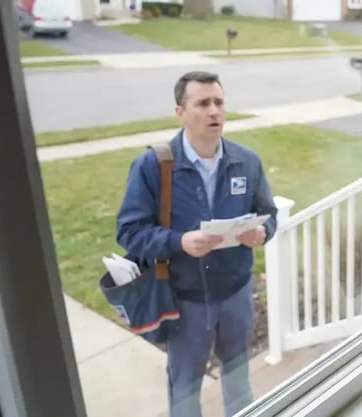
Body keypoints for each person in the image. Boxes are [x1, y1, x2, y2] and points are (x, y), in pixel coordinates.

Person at [115, 70, 278, 417]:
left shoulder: (246, 162)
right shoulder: (153, 166)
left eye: (219, 102)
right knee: (185, 390)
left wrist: (263, 232)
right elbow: (129, 232)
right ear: (181, 112)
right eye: (202, 103)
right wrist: (178, 241)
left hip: (236, 295)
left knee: (238, 381)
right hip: (184, 301)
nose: (214, 111)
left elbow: (269, 213)